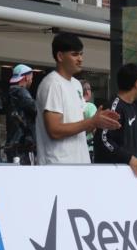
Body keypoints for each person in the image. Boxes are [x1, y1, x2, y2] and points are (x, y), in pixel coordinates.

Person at [35, 32, 119, 165]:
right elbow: (54, 130)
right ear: (60, 56)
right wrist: (91, 122)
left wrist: (98, 121)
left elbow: (78, 126)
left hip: (79, 164)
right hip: (57, 166)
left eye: (81, 54)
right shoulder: (52, 84)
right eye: (74, 54)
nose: (80, 59)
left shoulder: (76, 84)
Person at [94, 63, 137, 178]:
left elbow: (129, 144)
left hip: (128, 176)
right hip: (110, 176)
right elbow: (103, 139)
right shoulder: (113, 107)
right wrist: (129, 158)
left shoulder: (132, 107)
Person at [5, 64, 37, 164]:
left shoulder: (10, 93)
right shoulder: (21, 92)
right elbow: (36, 110)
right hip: (23, 146)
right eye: (31, 77)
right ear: (26, 77)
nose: (31, 80)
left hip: (12, 144)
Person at [81, 80, 97, 160]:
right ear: (87, 92)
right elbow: (94, 127)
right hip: (89, 149)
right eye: (90, 89)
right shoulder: (90, 106)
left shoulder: (76, 106)